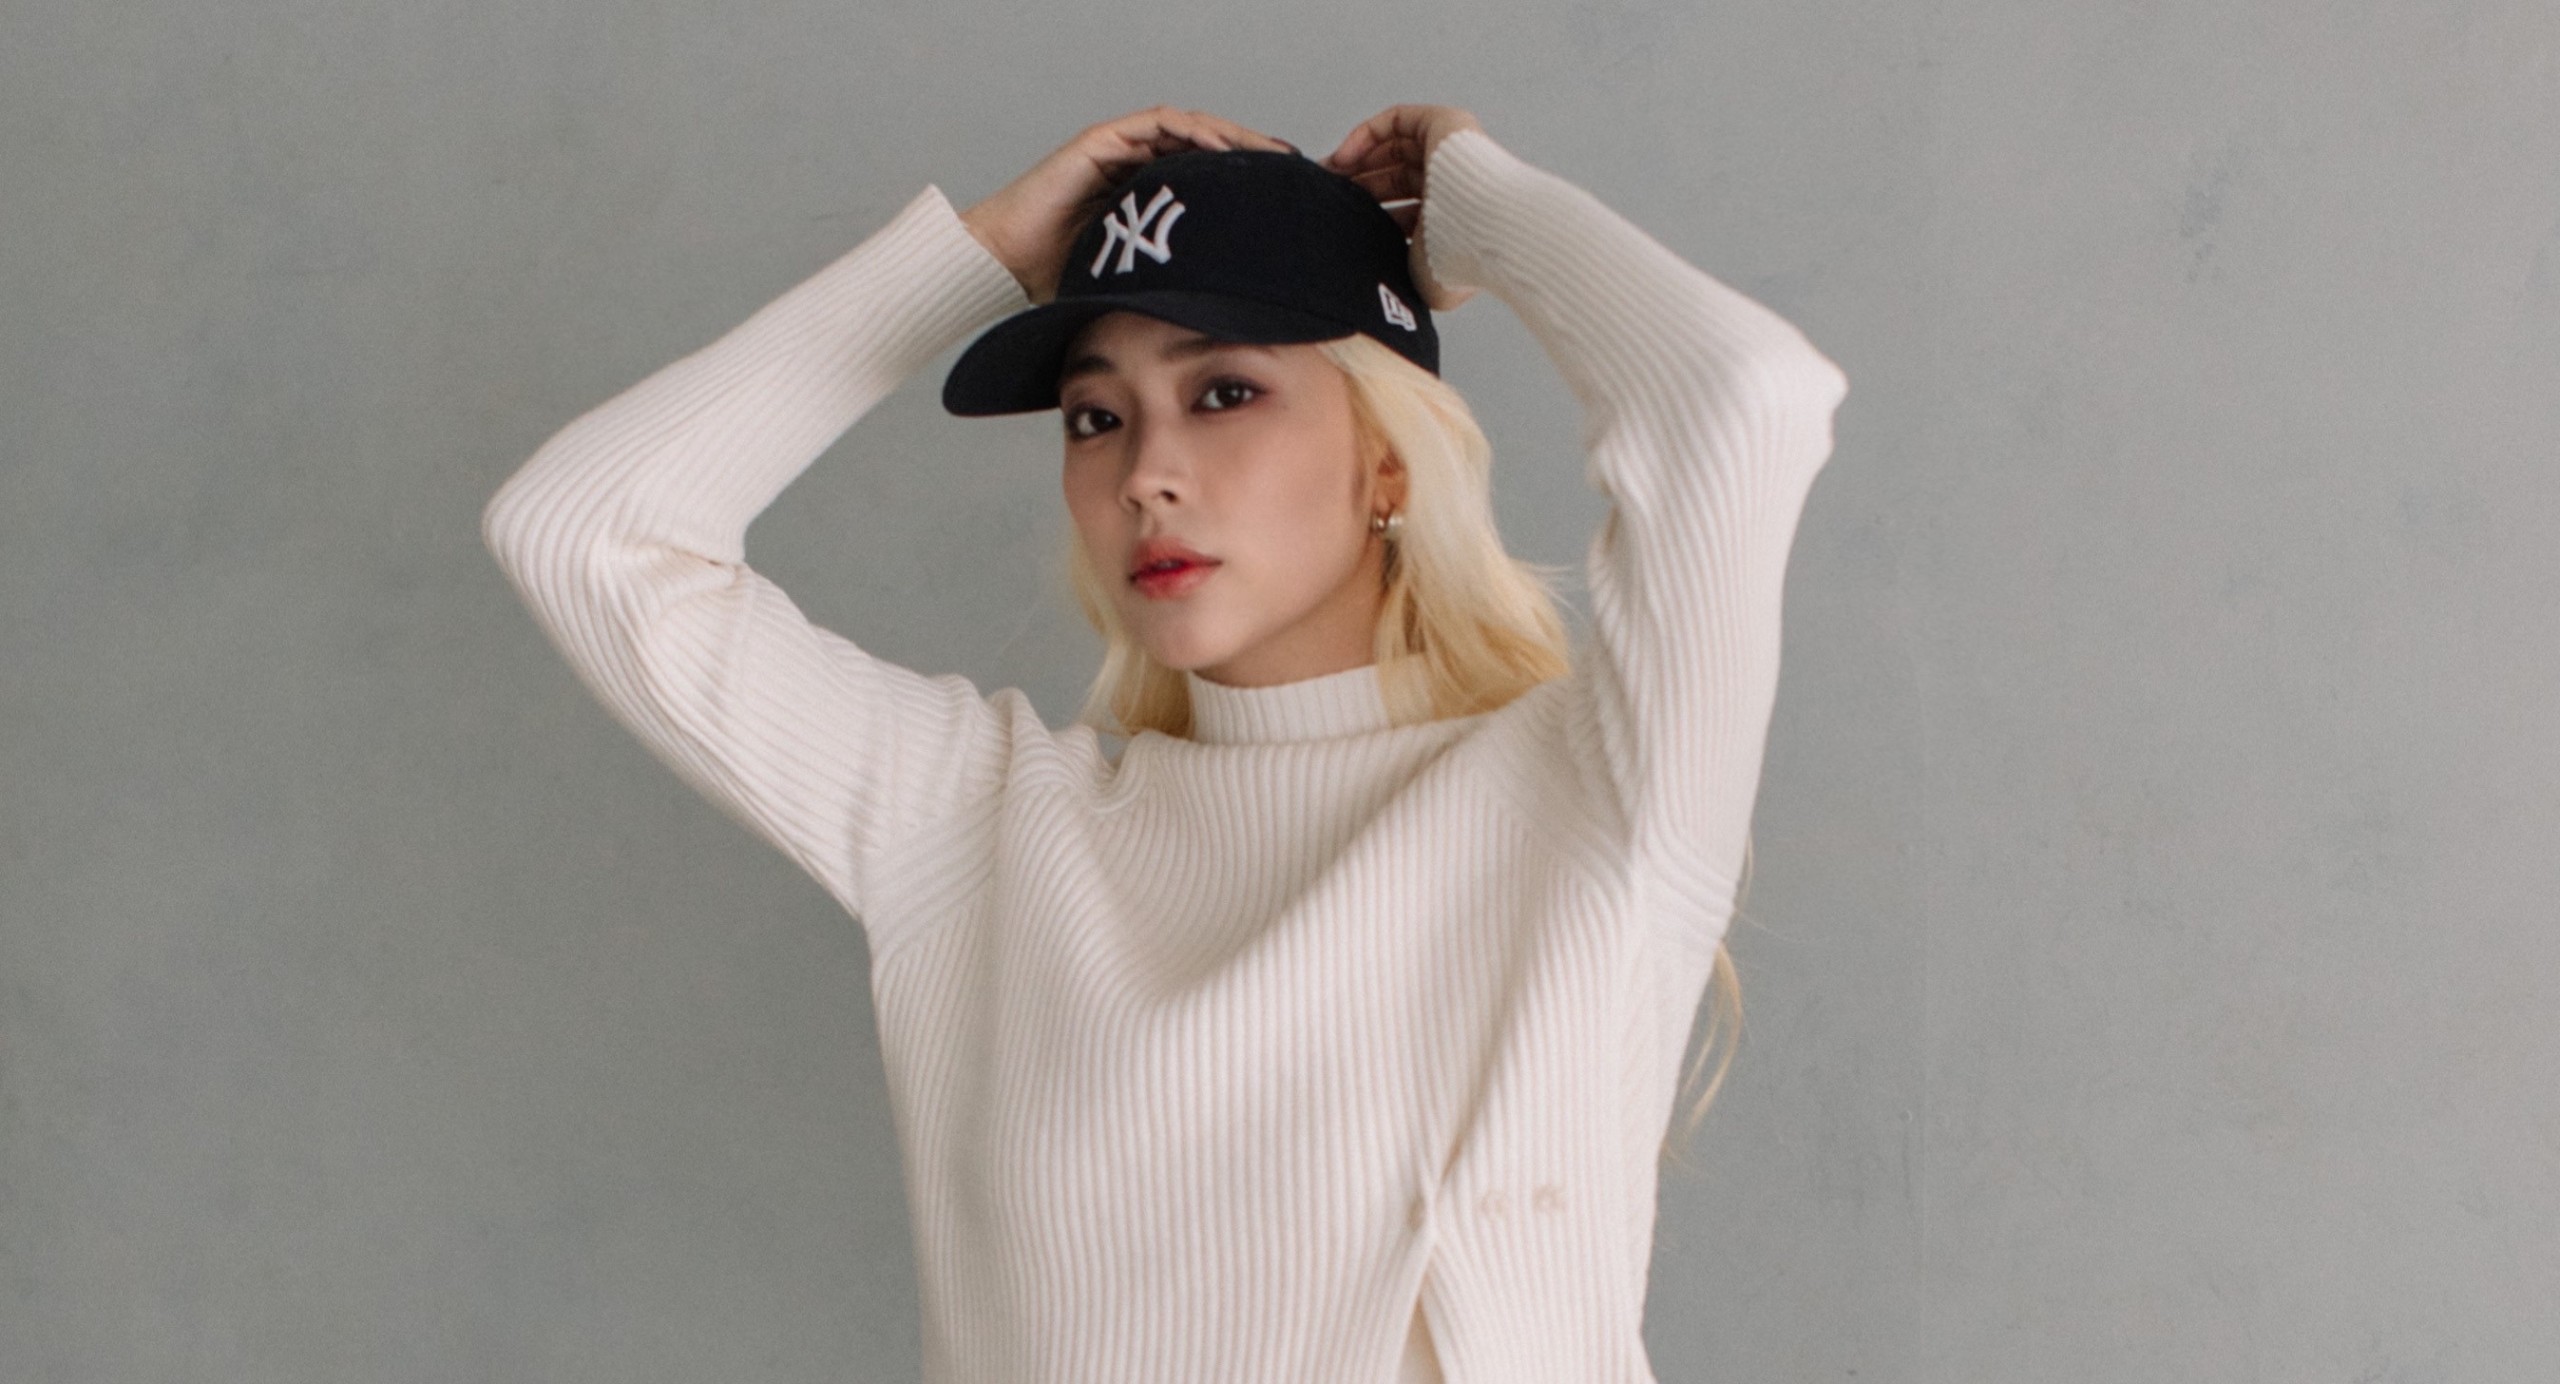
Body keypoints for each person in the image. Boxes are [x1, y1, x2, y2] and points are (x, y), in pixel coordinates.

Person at [482, 102, 1846, 1384]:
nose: (1145, 474)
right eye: (1097, 416)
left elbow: (1745, 398)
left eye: (1225, 393)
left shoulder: (1591, 798)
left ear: (1386, 460)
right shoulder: (982, 829)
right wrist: (977, 260)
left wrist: (1474, 205)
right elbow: (582, 533)